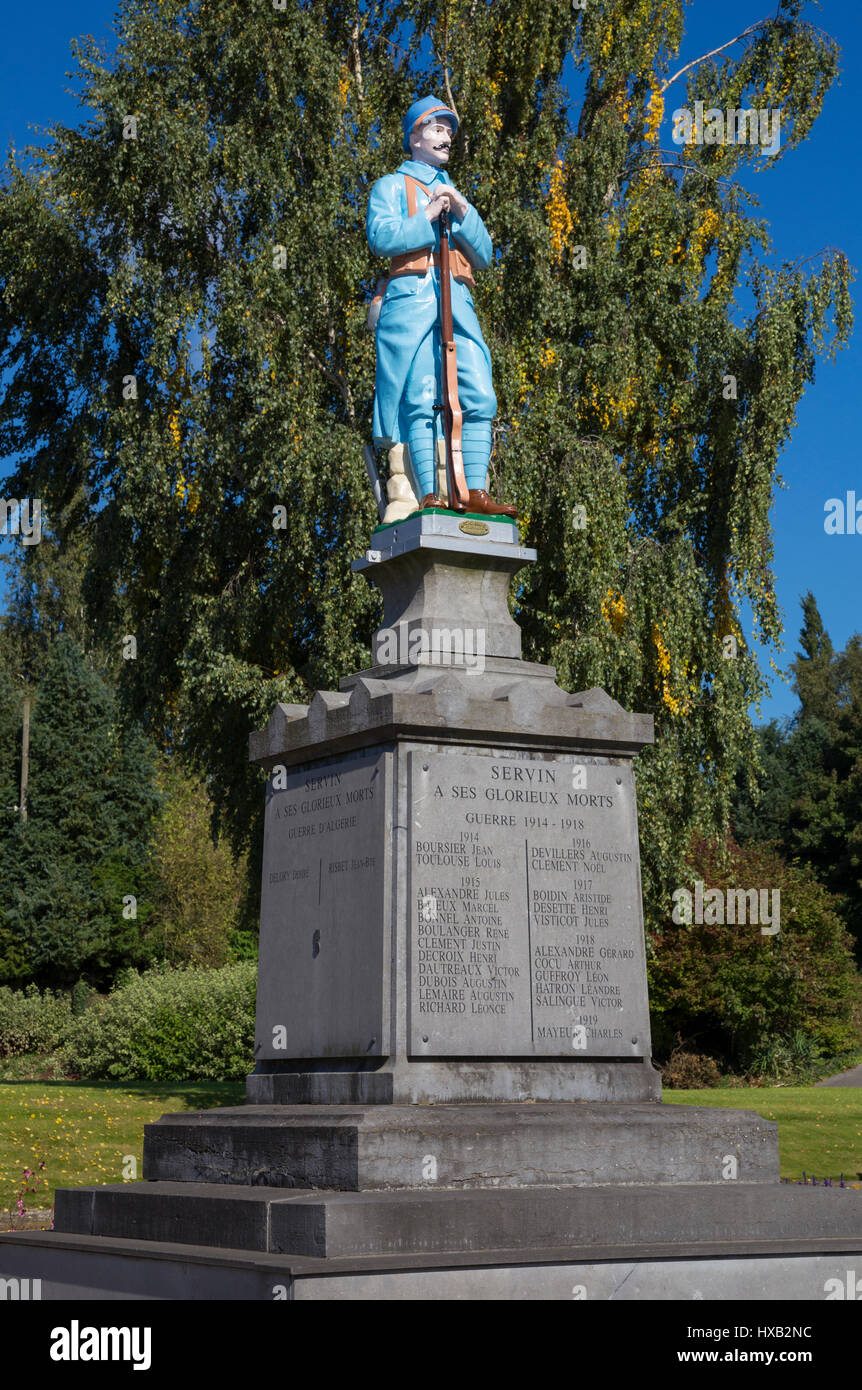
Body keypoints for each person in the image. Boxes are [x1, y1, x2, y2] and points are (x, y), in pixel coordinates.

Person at [366, 95, 517, 518]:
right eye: (437, 129)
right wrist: (428, 215)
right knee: (420, 397)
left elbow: (485, 255)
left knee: (478, 391)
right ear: (414, 137)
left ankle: (474, 491)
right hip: (412, 303)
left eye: (449, 131)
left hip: (458, 303)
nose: (446, 137)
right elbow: (380, 236)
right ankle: (430, 492)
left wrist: (463, 211)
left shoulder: (455, 192)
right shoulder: (391, 186)